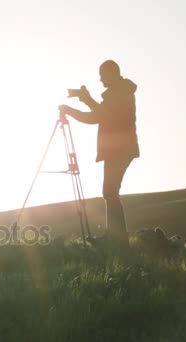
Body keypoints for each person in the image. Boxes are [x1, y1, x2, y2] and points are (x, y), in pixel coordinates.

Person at [58, 60, 139, 249]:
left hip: (118, 149)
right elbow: (103, 113)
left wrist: (70, 110)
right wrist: (87, 99)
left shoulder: (118, 94)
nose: (101, 80)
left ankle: (118, 240)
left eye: (102, 76)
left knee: (110, 192)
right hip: (119, 149)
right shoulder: (120, 92)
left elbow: (96, 117)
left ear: (111, 74)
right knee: (110, 192)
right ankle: (115, 237)